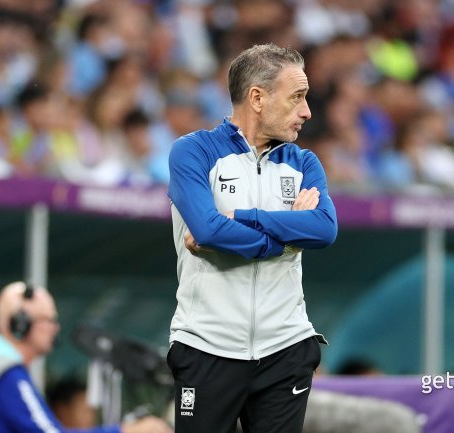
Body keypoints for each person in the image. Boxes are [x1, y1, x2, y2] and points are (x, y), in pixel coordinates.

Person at [166, 43, 338, 433]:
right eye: (297, 97)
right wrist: (284, 239)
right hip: (206, 346)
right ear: (257, 98)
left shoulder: (304, 162)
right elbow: (207, 230)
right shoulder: (193, 152)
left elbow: (325, 229)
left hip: (286, 348)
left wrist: (242, 218)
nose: (307, 111)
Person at [0, 281, 173, 433]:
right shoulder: (6, 373)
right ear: (21, 324)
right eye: (49, 320)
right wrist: (127, 431)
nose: (56, 328)